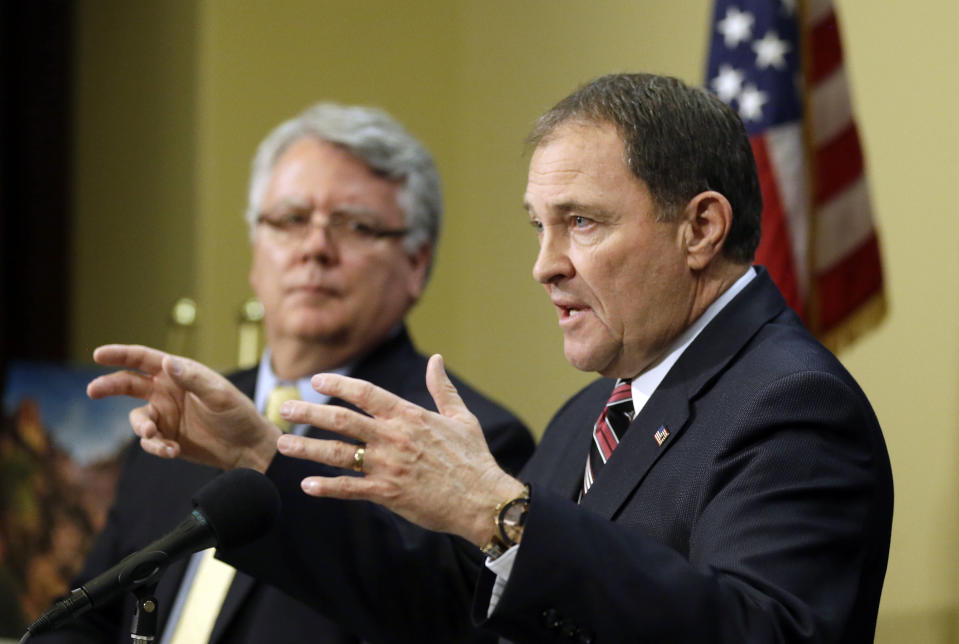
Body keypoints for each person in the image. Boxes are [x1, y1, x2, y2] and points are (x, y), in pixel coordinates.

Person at [85, 73, 893, 643]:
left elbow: (759, 633)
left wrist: (501, 518)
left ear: (700, 228)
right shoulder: (590, 416)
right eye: (537, 226)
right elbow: (449, 615)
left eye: (580, 222)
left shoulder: (789, 404)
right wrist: (259, 455)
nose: (544, 264)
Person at [35, 103, 534, 644]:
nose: (315, 248)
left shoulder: (462, 436)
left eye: (354, 225)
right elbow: (90, 617)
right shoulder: (192, 410)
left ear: (416, 264)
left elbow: (444, 617)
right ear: (256, 250)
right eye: (291, 220)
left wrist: (262, 456)